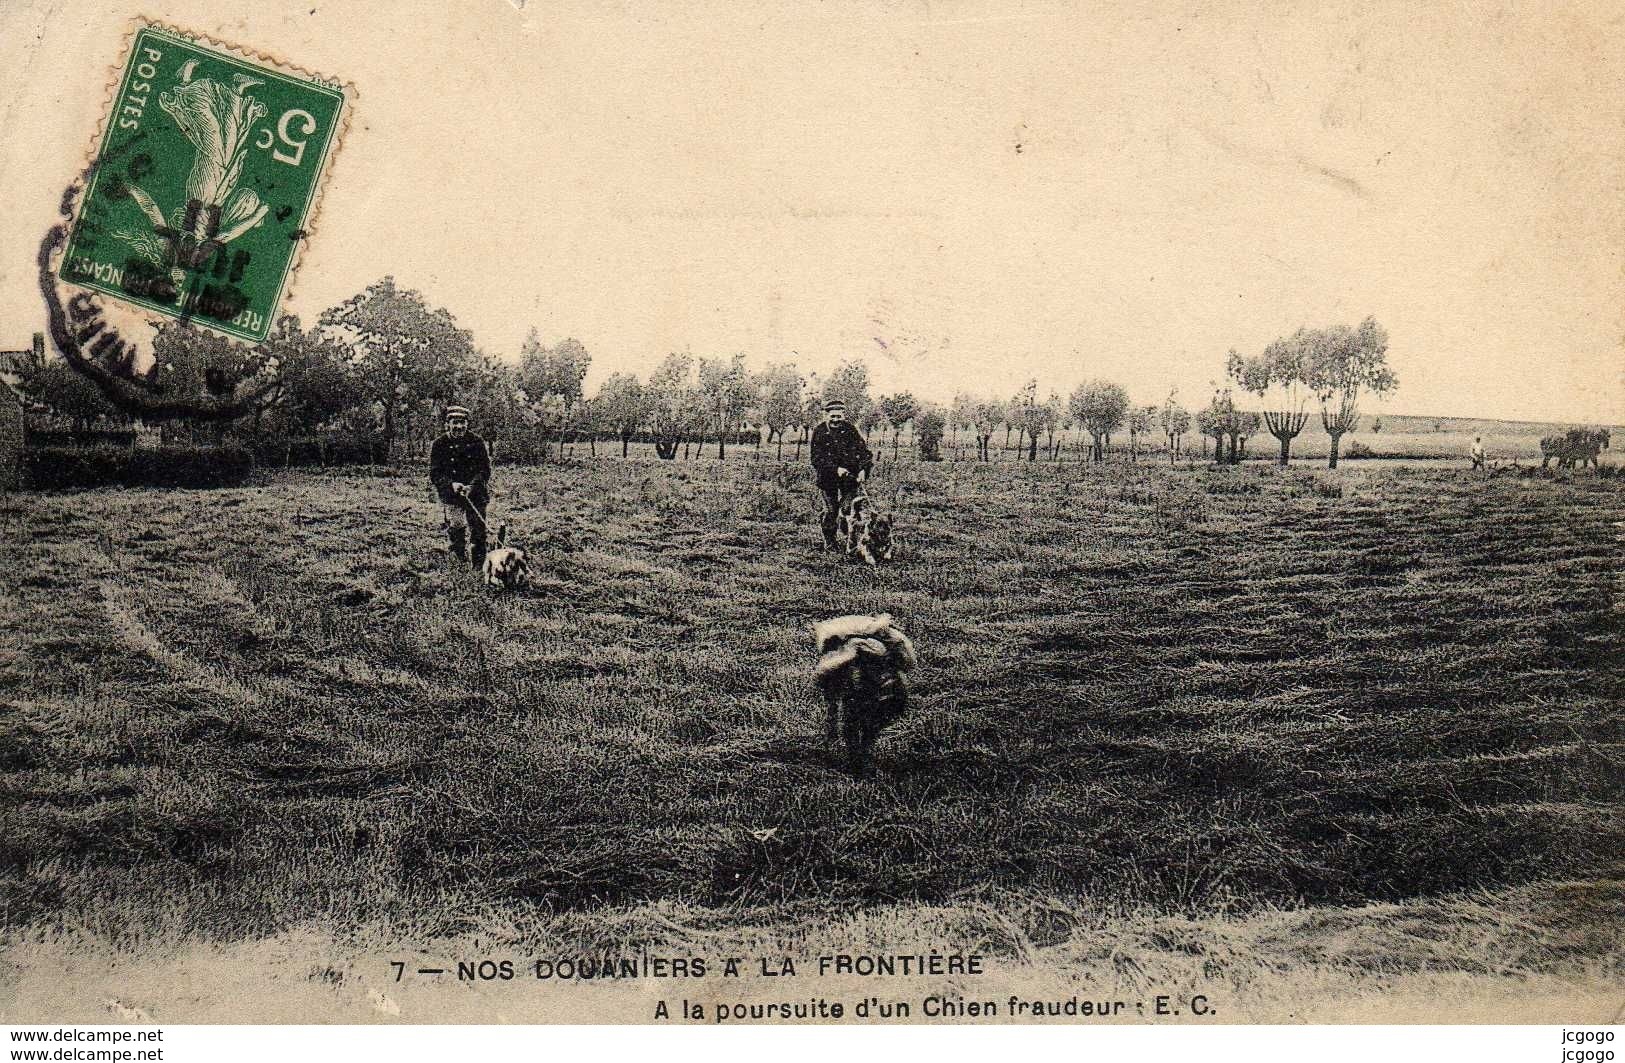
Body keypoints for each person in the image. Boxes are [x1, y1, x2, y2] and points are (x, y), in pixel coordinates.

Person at [429, 405, 492, 568]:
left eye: (462, 422)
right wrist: (451, 485)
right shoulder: (439, 444)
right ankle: (459, 560)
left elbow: (484, 470)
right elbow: (435, 473)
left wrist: (471, 486)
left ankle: (479, 565)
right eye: (454, 422)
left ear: (467, 424)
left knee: (478, 529)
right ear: (447, 424)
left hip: (476, 493)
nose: (459, 426)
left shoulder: (477, 442)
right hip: (452, 495)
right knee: (456, 526)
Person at [810, 399, 873, 550]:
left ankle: (850, 538)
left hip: (849, 480)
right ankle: (830, 542)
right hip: (827, 479)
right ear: (827, 415)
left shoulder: (851, 430)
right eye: (833, 416)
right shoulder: (819, 432)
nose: (836, 420)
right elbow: (816, 458)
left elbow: (864, 452)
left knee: (847, 509)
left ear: (844, 415)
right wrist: (835, 469)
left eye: (839, 416)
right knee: (831, 511)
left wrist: (864, 469)